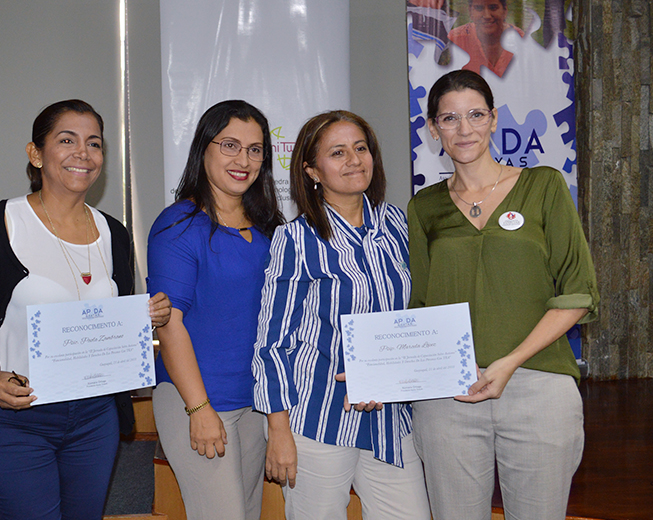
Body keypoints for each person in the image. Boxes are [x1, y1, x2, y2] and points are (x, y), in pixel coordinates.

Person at [0, 99, 171, 520]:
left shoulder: (115, 233)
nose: (82, 153)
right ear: (35, 154)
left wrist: (144, 319)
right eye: (66, 140)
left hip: (93, 420)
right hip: (16, 420)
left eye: (94, 143)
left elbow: (112, 324)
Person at [408, 69, 599, 519]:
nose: (464, 128)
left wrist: (509, 362)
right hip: (449, 395)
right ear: (434, 129)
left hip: (539, 384)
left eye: (475, 114)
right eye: (449, 119)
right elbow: (419, 306)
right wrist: (380, 371)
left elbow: (577, 292)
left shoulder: (544, 186)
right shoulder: (423, 207)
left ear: (494, 119)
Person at [253, 110, 431, 520]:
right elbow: (272, 343)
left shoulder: (397, 223)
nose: (354, 159)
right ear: (312, 170)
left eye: (361, 148)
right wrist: (278, 430)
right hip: (318, 419)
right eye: (338, 152)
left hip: (389, 419)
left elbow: (412, 318)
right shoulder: (295, 239)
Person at [146, 100, 284, 520]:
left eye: (255, 149)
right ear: (203, 148)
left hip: (254, 401)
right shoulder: (178, 226)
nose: (243, 160)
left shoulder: (268, 227)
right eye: (229, 145)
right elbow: (170, 326)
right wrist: (199, 409)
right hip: (198, 399)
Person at [448, 0, 524, 77]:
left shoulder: (521, 40)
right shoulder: (454, 39)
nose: (487, 16)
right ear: (470, 12)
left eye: (493, 8)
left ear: (505, 11)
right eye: (479, 8)